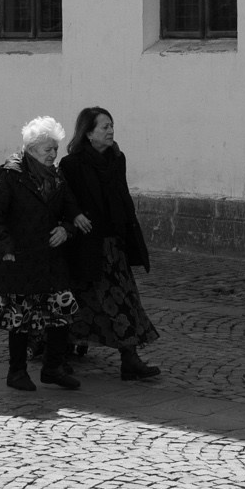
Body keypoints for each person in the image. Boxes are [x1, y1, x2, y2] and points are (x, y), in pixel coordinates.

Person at [0, 116, 93, 392]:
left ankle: (53, 368)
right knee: (19, 316)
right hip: (20, 256)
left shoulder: (56, 177)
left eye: (56, 149)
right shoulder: (12, 174)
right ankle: (17, 371)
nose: (54, 154)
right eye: (48, 149)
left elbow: (70, 207)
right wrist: (5, 246)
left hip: (50, 257)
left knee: (60, 310)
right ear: (32, 149)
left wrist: (67, 229)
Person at [60, 106, 161, 381]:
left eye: (111, 125)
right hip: (86, 247)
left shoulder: (117, 159)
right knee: (81, 302)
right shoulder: (72, 165)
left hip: (114, 246)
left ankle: (129, 358)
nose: (110, 131)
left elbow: (122, 196)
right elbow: (64, 199)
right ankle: (56, 352)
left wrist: (131, 234)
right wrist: (75, 215)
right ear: (88, 133)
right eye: (104, 126)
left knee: (124, 300)